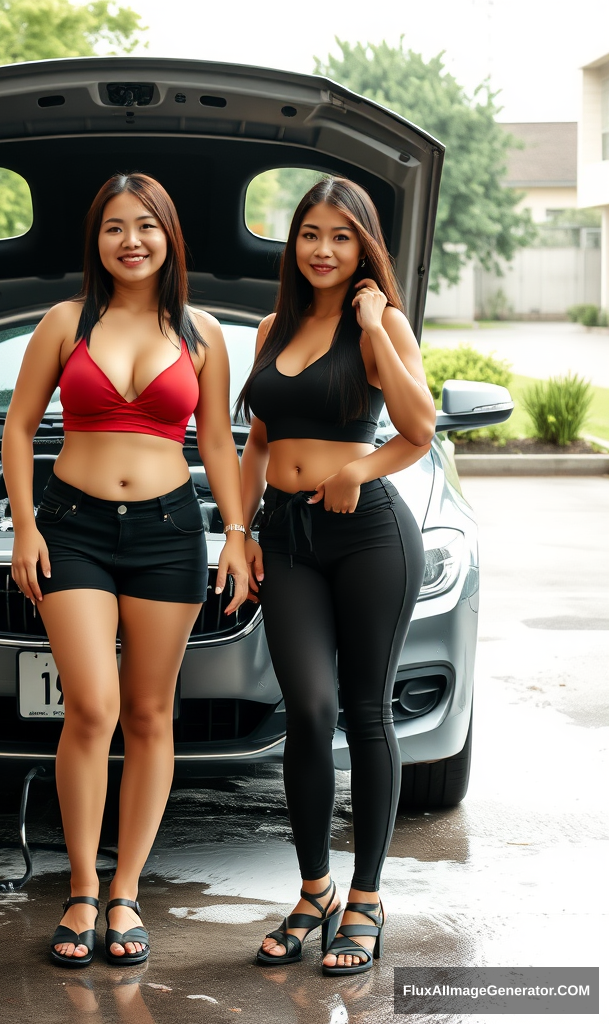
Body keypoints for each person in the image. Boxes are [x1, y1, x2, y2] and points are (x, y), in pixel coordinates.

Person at [3, 173, 249, 967]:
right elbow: (16, 428)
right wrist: (24, 527)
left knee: (150, 715)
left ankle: (126, 891)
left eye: (146, 226)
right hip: (72, 528)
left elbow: (218, 443)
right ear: (96, 241)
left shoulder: (203, 333)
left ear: (170, 237)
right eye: (114, 227)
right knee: (92, 708)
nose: (131, 240)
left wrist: (237, 531)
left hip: (169, 530)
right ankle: (80, 887)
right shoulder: (65, 321)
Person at [237, 177, 433, 976]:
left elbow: (416, 427)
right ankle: (314, 889)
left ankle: (367, 899)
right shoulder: (269, 329)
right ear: (295, 243)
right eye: (310, 234)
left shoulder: (381, 322)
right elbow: (257, 442)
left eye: (341, 237)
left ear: (364, 248)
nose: (323, 250)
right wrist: (239, 531)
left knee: (366, 710)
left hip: (368, 536)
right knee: (309, 712)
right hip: (285, 536)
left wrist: (373, 322)